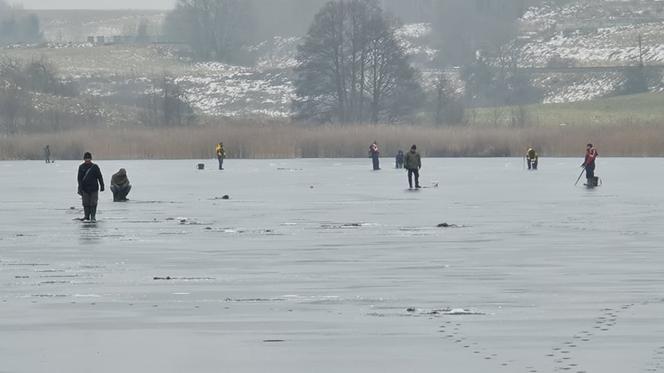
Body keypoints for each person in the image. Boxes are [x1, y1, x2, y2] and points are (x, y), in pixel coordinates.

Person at [77, 152, 104, 221]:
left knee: (93, 203)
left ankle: (93, 217)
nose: (87, 160)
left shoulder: (95, 167)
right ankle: (86, 216)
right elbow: (79, 179)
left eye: (88, 158)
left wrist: (102, 185)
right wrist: (80, 188)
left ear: (91, 159)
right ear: (84, 159)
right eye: (86, 158)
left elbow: (99, 177)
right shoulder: (81, 167)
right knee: (85, 203)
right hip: (84, 189)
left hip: (94, 188)